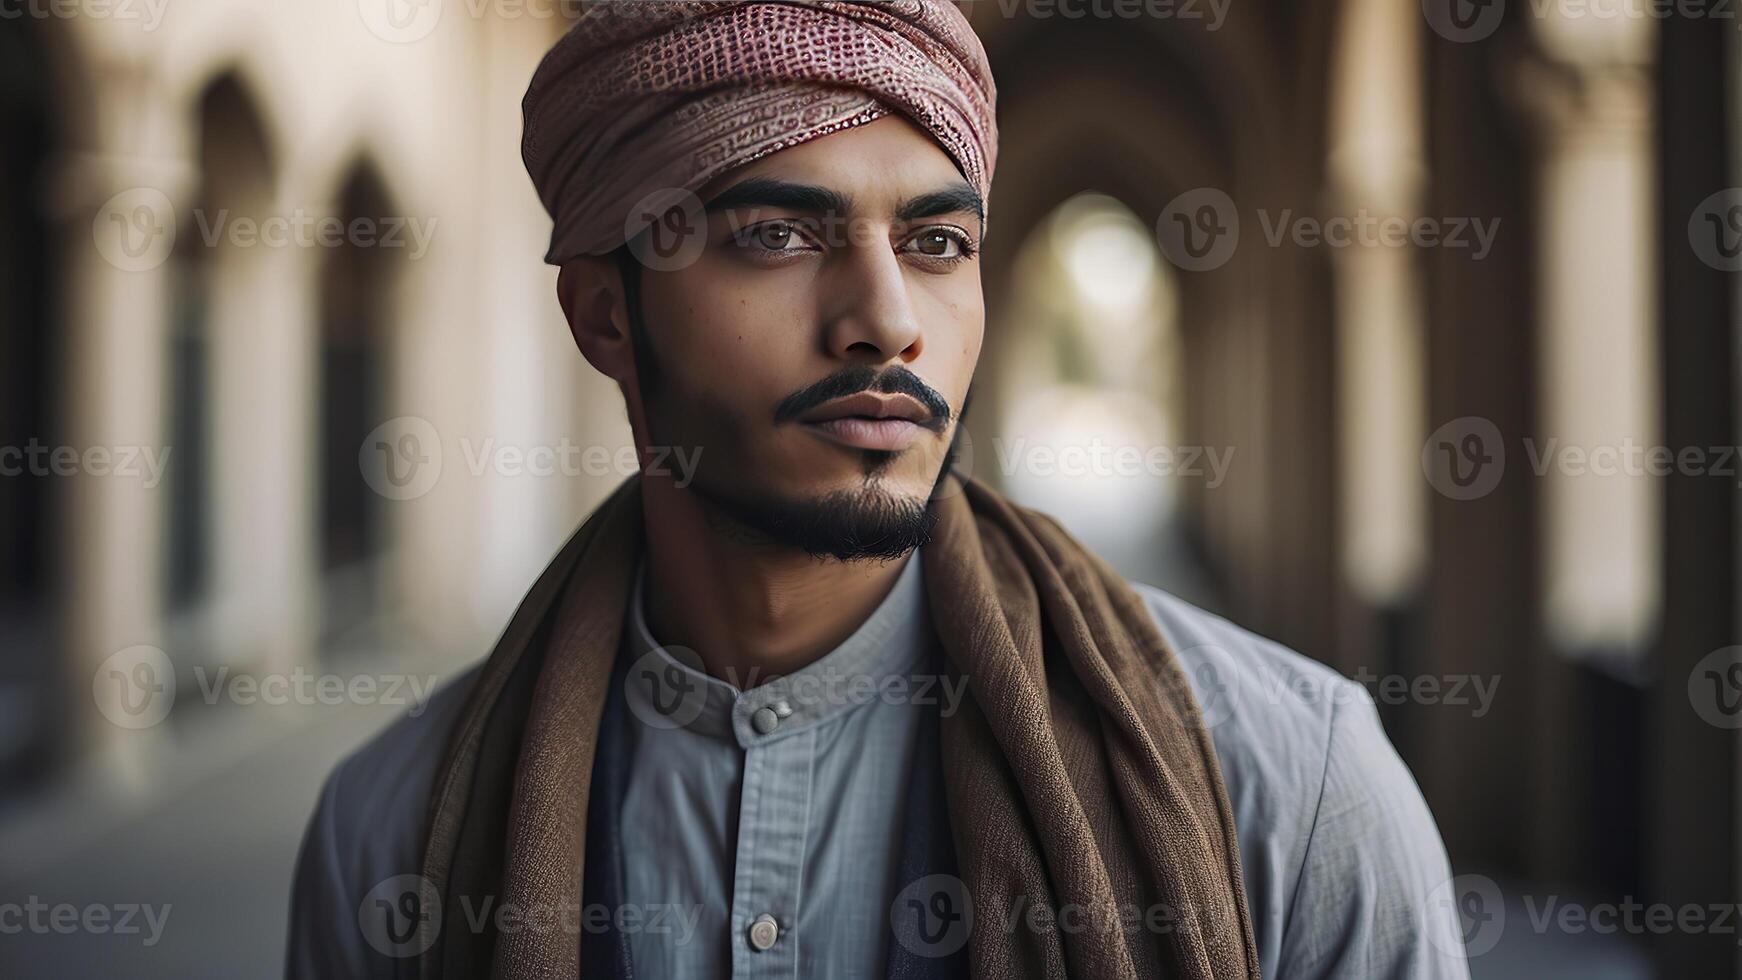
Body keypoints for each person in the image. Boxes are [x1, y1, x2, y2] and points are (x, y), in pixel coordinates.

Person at [288, 3, 1469, 978]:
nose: (887, 321)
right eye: (774, 234)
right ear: (605, 311)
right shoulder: (395, 834)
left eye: (937, 244)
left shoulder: (1292, 789)